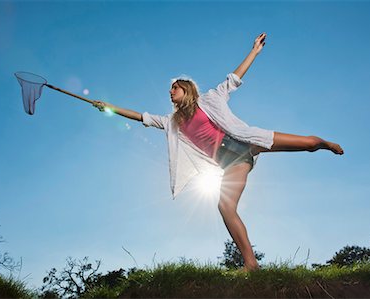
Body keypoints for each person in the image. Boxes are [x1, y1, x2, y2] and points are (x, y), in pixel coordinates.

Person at [91, 33, 344, 272]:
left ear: (186, 90)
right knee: (225, 206)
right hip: (233, 161)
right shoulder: (171, 122)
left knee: (309, 144)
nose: (170, 92)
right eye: (170, 90)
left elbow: (234, 78)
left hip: (246, 142)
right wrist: (110, 107)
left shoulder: (210, 99)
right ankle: (251, 264)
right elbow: (141, 117)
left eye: (175, 88)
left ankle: (325, 143)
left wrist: (254, 50)